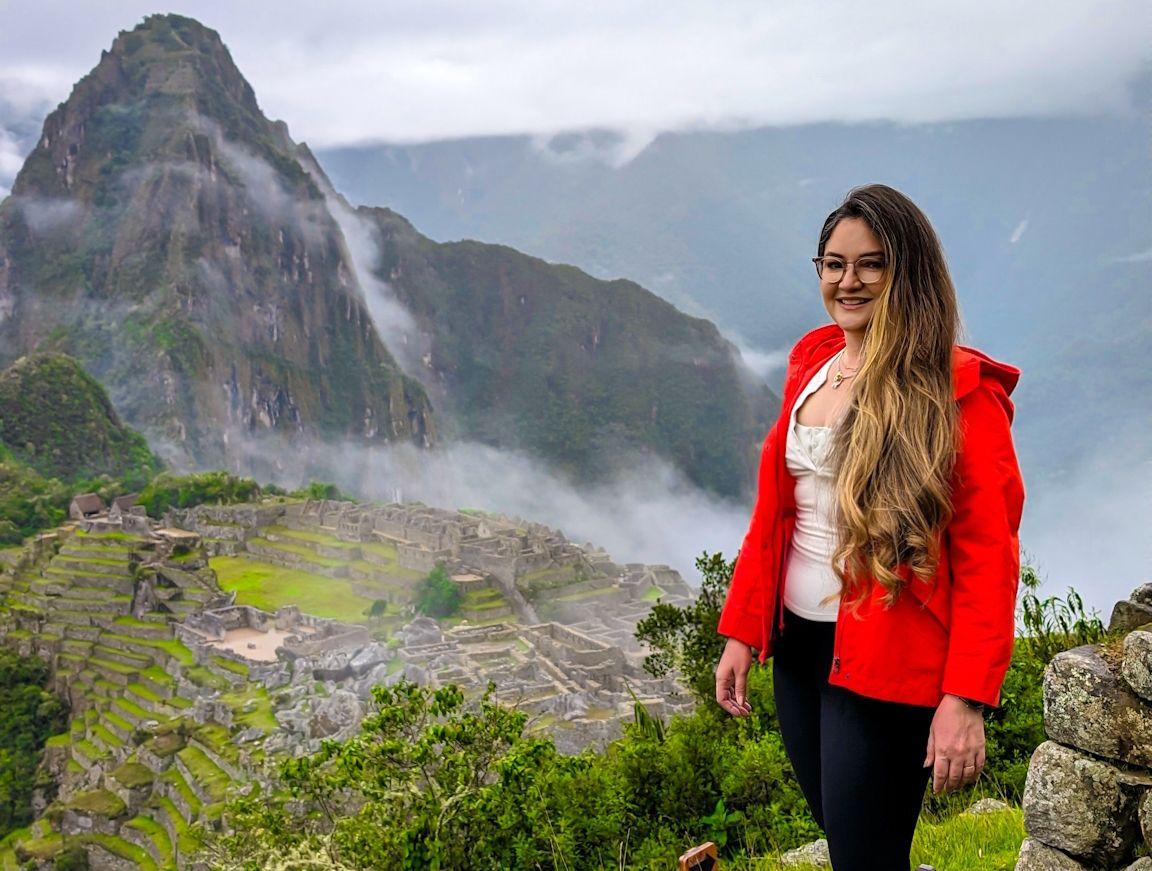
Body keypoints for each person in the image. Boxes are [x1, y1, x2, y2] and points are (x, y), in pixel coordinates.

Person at [713, 183, 1025, 870]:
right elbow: (774, 517)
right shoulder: (813, 365)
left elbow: (988, 556)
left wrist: (965, 698)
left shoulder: (953, 392)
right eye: (833, 263)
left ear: (906, 271)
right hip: (799, 652)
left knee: (863, 851)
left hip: (888, 656)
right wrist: (743, 629)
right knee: (850, 835)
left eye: (870, 263)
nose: (847, 280)